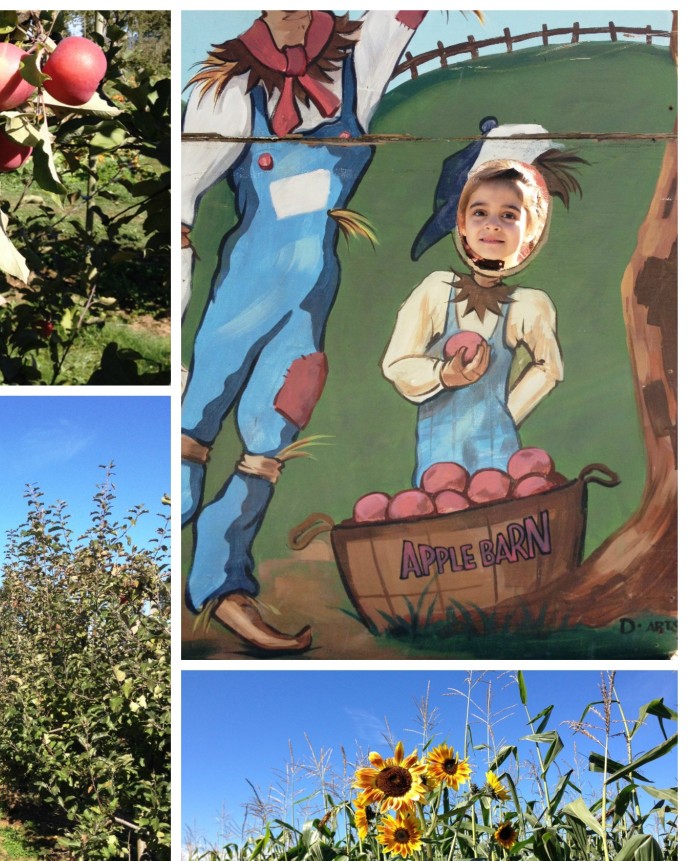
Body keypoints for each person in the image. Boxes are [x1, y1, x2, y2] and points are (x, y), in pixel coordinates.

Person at [181, 10, 425, 652]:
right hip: (239, 296)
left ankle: (222, 585)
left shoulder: (357, 71)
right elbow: (182, 193)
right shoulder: (229, 91)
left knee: (269, 439)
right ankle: (139, 570)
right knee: (193, 426)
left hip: (308, 304)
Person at [382, 156, 563, 482]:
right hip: (438, 461)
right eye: (480, 212)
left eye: (509, 215)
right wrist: (442, 374)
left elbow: (548, 368)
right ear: (462, 223)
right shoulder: (436, 291)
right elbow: (396, 363)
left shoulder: (529, 305)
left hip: (499, 455)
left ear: (530, 231)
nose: (492, 225)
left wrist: (505, 413)